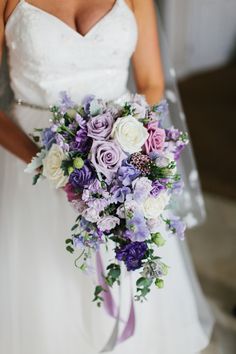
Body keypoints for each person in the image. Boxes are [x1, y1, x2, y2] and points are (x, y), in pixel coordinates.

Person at [0, 1, 214, 353]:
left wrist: (126, 152)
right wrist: (49, 164)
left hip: (122, 165)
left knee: (126, 275)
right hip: (35, 164)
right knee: (45, 291)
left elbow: (151, 82)